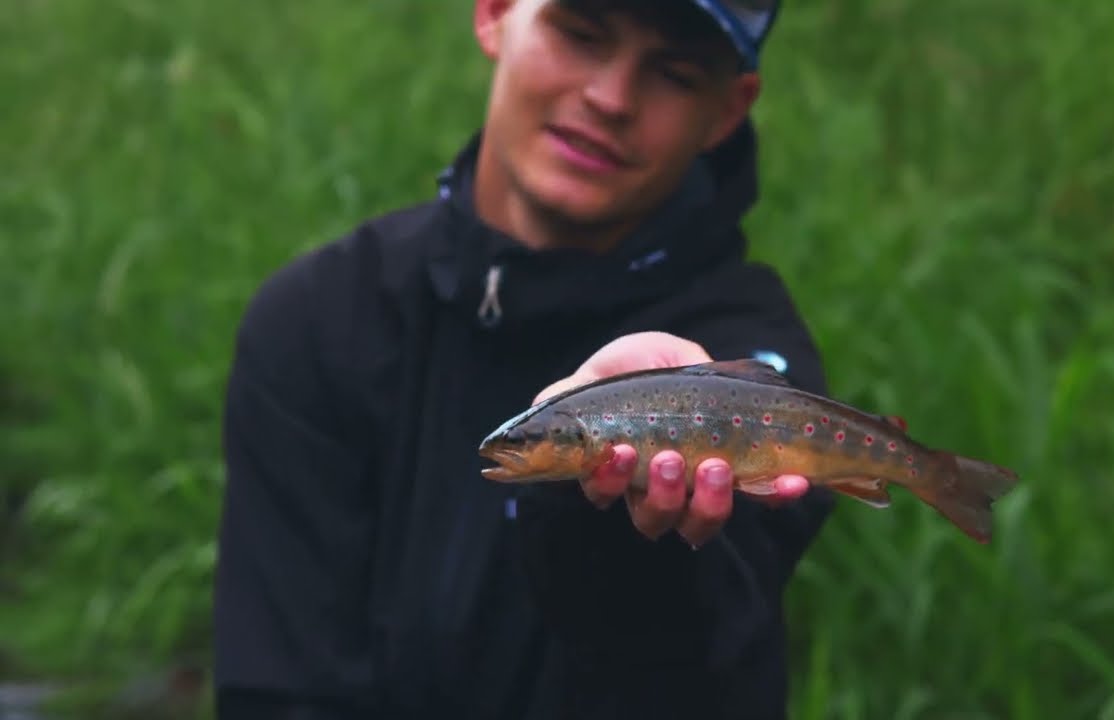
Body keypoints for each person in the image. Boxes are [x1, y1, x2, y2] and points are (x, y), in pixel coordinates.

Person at [213, 1, 835, 717]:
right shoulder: (318, 319)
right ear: (495, 12)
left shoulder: (753, 361)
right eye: (578, 33)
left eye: (674, 73)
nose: (610, 98)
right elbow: (281, 687)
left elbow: (705, 661)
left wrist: (600, 513)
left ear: (728, 111)